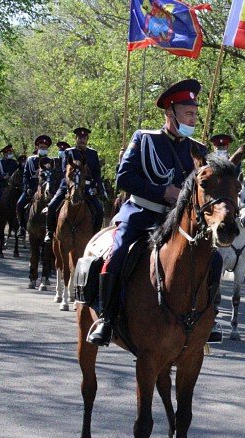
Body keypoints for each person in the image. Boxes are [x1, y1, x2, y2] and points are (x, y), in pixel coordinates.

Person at [87, 79, 223, 347]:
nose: (193, 118)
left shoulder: (199, 149)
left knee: (214, 259)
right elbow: (124, 177)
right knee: (118, 253)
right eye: (188, 113)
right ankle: (107, 317)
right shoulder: (144, 138)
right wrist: (162, 192)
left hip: (177, 224)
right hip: (141, 214)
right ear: (170, 112)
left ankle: (208, 316)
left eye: (195, 114)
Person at [44, 127, 104, 242]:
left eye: (84, 138)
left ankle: (95, 237)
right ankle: (49, 231)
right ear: (76, 139)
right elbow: (63, 171)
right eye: (80, 138)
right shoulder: (68, 152)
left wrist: (96, 187)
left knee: (99, 210)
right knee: (52, 206)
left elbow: (97, 174)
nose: (82, 140)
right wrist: (71, 185)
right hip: (68, 186)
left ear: (87, 139)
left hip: (86, 187)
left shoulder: (93, 154)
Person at [17, 135, 53, 232]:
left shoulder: (50, 161)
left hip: (45, 188)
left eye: (45, 148)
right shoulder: (30, 160)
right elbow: (25, 176)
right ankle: (22, 226)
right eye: (41, 147)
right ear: (37, 147)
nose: (43, 149)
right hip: (31, 188)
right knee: (19, 203)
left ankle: (52, 228)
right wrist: (27, 188)